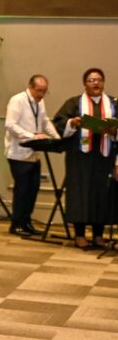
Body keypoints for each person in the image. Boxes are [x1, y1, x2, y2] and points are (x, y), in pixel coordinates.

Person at [52, 68, 118, 250]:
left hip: (104, 157)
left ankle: (98, 235)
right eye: (91, 80)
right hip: (79, 157)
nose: (95, 83)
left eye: (98, 80)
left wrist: (114, 130)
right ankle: (79, 235)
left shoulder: (113, 103)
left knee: (101, 195)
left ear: (103, 82)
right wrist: (72, 123)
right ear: (85, 83)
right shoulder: (74, 103)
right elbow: (58, 123)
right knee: (80, 194)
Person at [4, 75, 60, 237]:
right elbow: (10, 124)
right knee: (22, 189)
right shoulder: (18, 100)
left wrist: (56, 138)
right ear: (30, 87)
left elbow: (45, 121)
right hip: (18, 153)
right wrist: (32, 136)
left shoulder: (40, 102)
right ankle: (16, 224)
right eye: (39, 91)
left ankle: (26, 222)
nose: (41, 94)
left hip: (34, 153)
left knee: (33, 189)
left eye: (44, 91)